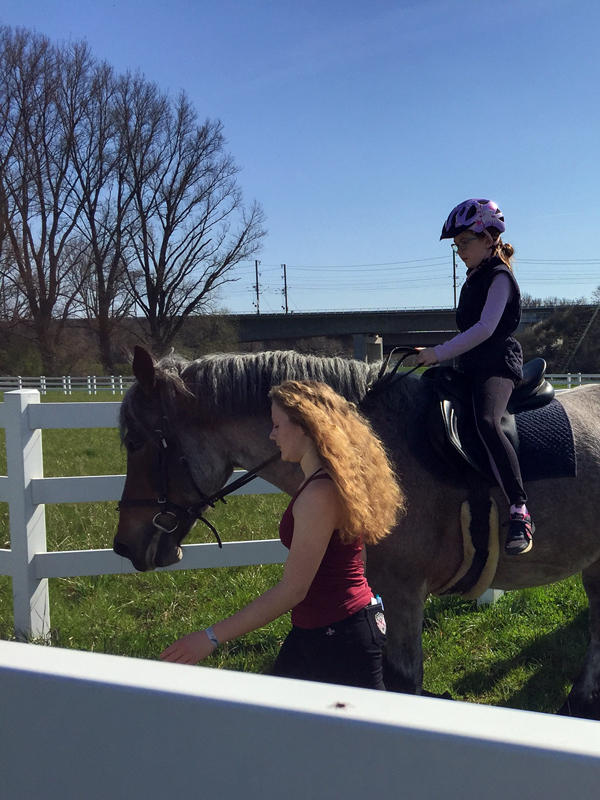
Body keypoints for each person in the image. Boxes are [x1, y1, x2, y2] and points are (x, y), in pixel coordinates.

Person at [160, 380, 403, 689]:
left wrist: (210, 637)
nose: (272, 435)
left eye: (277, 425)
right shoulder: (325, 481)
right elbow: (359, 556)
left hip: (341, 636)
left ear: (304, 426)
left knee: (363, 736)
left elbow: (292, 590)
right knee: (278, 726)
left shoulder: (320, 493)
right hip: (321, 629)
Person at [414, 199, 534, 555]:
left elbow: (484, 329)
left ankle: (519, 509)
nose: (460, 250)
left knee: (486, 421)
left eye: (465, 242)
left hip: (496, 364)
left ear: (489, 237)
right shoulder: (475, 276)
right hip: (470, 365)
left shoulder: (499, 276)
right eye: (457, 246)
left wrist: (438, 353)